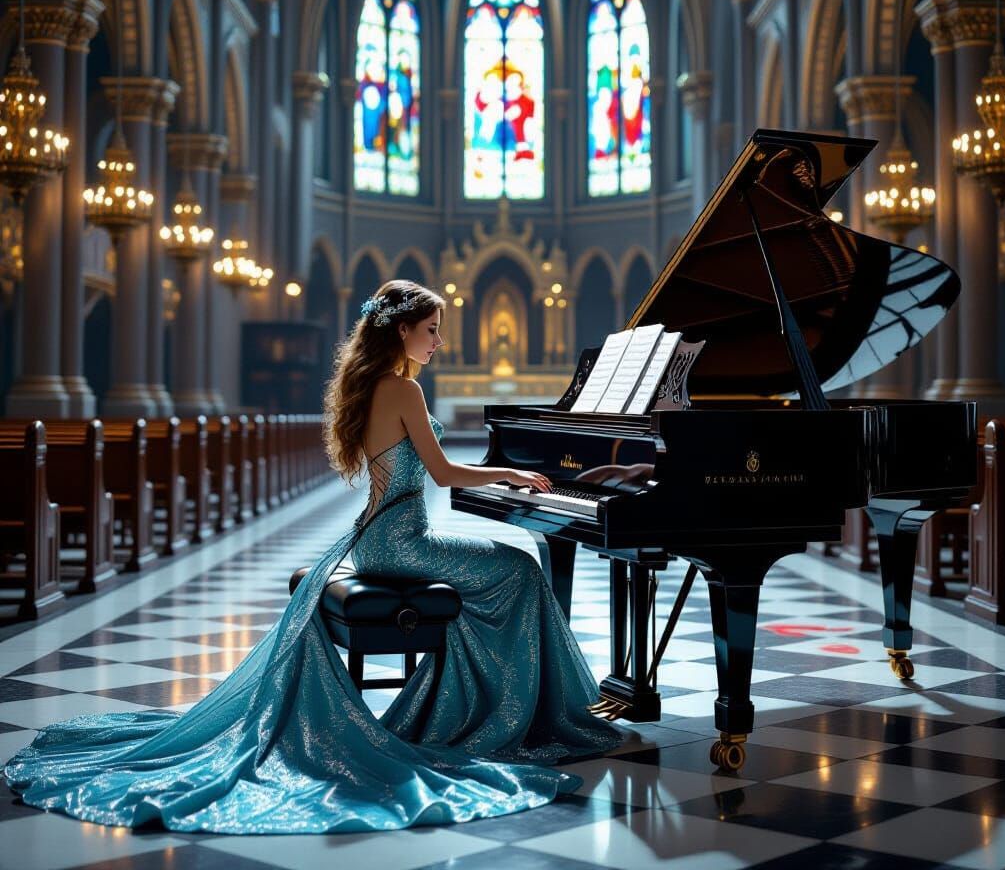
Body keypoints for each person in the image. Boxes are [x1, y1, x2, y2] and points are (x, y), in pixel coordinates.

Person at [5, 279, 621, 834]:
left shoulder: (376, 386)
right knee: (519, 568)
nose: (439, 341)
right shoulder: (402, 389)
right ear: (402, 331)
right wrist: (511, 473)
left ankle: (489, 704)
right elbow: (443, 472)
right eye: (432, 330)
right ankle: (522, 713)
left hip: (379, 539)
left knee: (505, 577)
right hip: (405, 544)